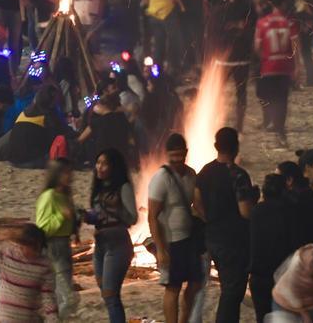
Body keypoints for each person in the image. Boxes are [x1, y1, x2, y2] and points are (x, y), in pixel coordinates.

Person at [195, 127, 257, 323]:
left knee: (227, 287)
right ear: (236, 147)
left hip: (212, 238)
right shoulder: (238, 175)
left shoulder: (204, 172)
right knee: (232, 293)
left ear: (216, 146)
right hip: (235, 242)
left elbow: (196, 204)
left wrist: (211, 220)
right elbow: (245, 211)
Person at [147, 133, 203, 323]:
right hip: (171, 241)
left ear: (186, 153)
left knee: (195, 283)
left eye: (181, 156)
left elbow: (196, 205)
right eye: (174, 157)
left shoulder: (191, 174)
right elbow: (152, 216)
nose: (178, 161)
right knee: (173, 287)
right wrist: (161, 249)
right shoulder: (161, 179)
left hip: (189, 239)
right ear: (167, 155)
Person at [85, 148, 138, 323]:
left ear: (113, 167)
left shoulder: (123, 187)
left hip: (118, 244)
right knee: (106, 292)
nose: (99, 167)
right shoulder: (98, 188)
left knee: (111, 295)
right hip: (100, 244)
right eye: (98, 162)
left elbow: (132, 217)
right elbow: (96, 215)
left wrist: (112, 213)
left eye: (104, 163)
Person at [254, 0, 299, 144]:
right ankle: (280, 130)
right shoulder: (289, 23)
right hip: (284, 67)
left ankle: (273, 123)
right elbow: (295, 46)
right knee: (282, 99)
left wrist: (265, 58)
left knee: (270, 97)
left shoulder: (262, 23)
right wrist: (296, 67)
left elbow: (257, 47)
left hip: (268, 67)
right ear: (284, 4)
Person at [35, 158, 78, 319]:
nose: (69, 176)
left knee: (59, 295)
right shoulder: (49, 196)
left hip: (64, 245)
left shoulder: (64, 195)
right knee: (69, 298)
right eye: (65, 172)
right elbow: (42, 227)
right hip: (53, 247)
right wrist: (61, 215)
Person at [249, 174, 291, 323]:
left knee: (262, 316)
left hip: (259, 275)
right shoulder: (288, 212)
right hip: (282, 275)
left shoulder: (255, 211)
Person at [271, 241, 313, 322]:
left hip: (311, 304)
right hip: (285, 303)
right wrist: (304, 314)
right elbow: (288, 292)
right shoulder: (297, 266)